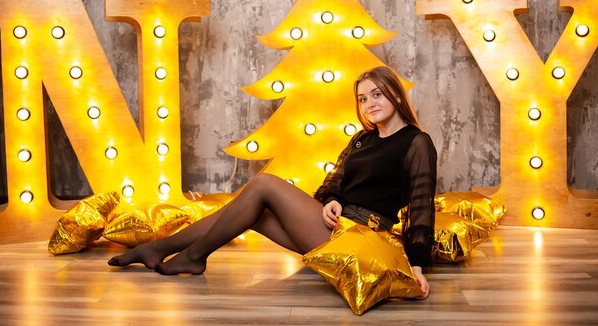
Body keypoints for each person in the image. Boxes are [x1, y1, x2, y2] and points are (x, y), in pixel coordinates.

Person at [108, 65, 437, 298]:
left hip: (364, 239)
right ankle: (161, 249)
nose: (370, 104)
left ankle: (186, 255)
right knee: (253, 213)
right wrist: (333, 200)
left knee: (264, 186)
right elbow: (333, 183)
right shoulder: (361, 140)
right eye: (363, 99)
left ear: (395, 93)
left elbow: (422, 203)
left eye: (377, 94)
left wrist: (418, 265)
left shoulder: (416, 142)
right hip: (337, 225)